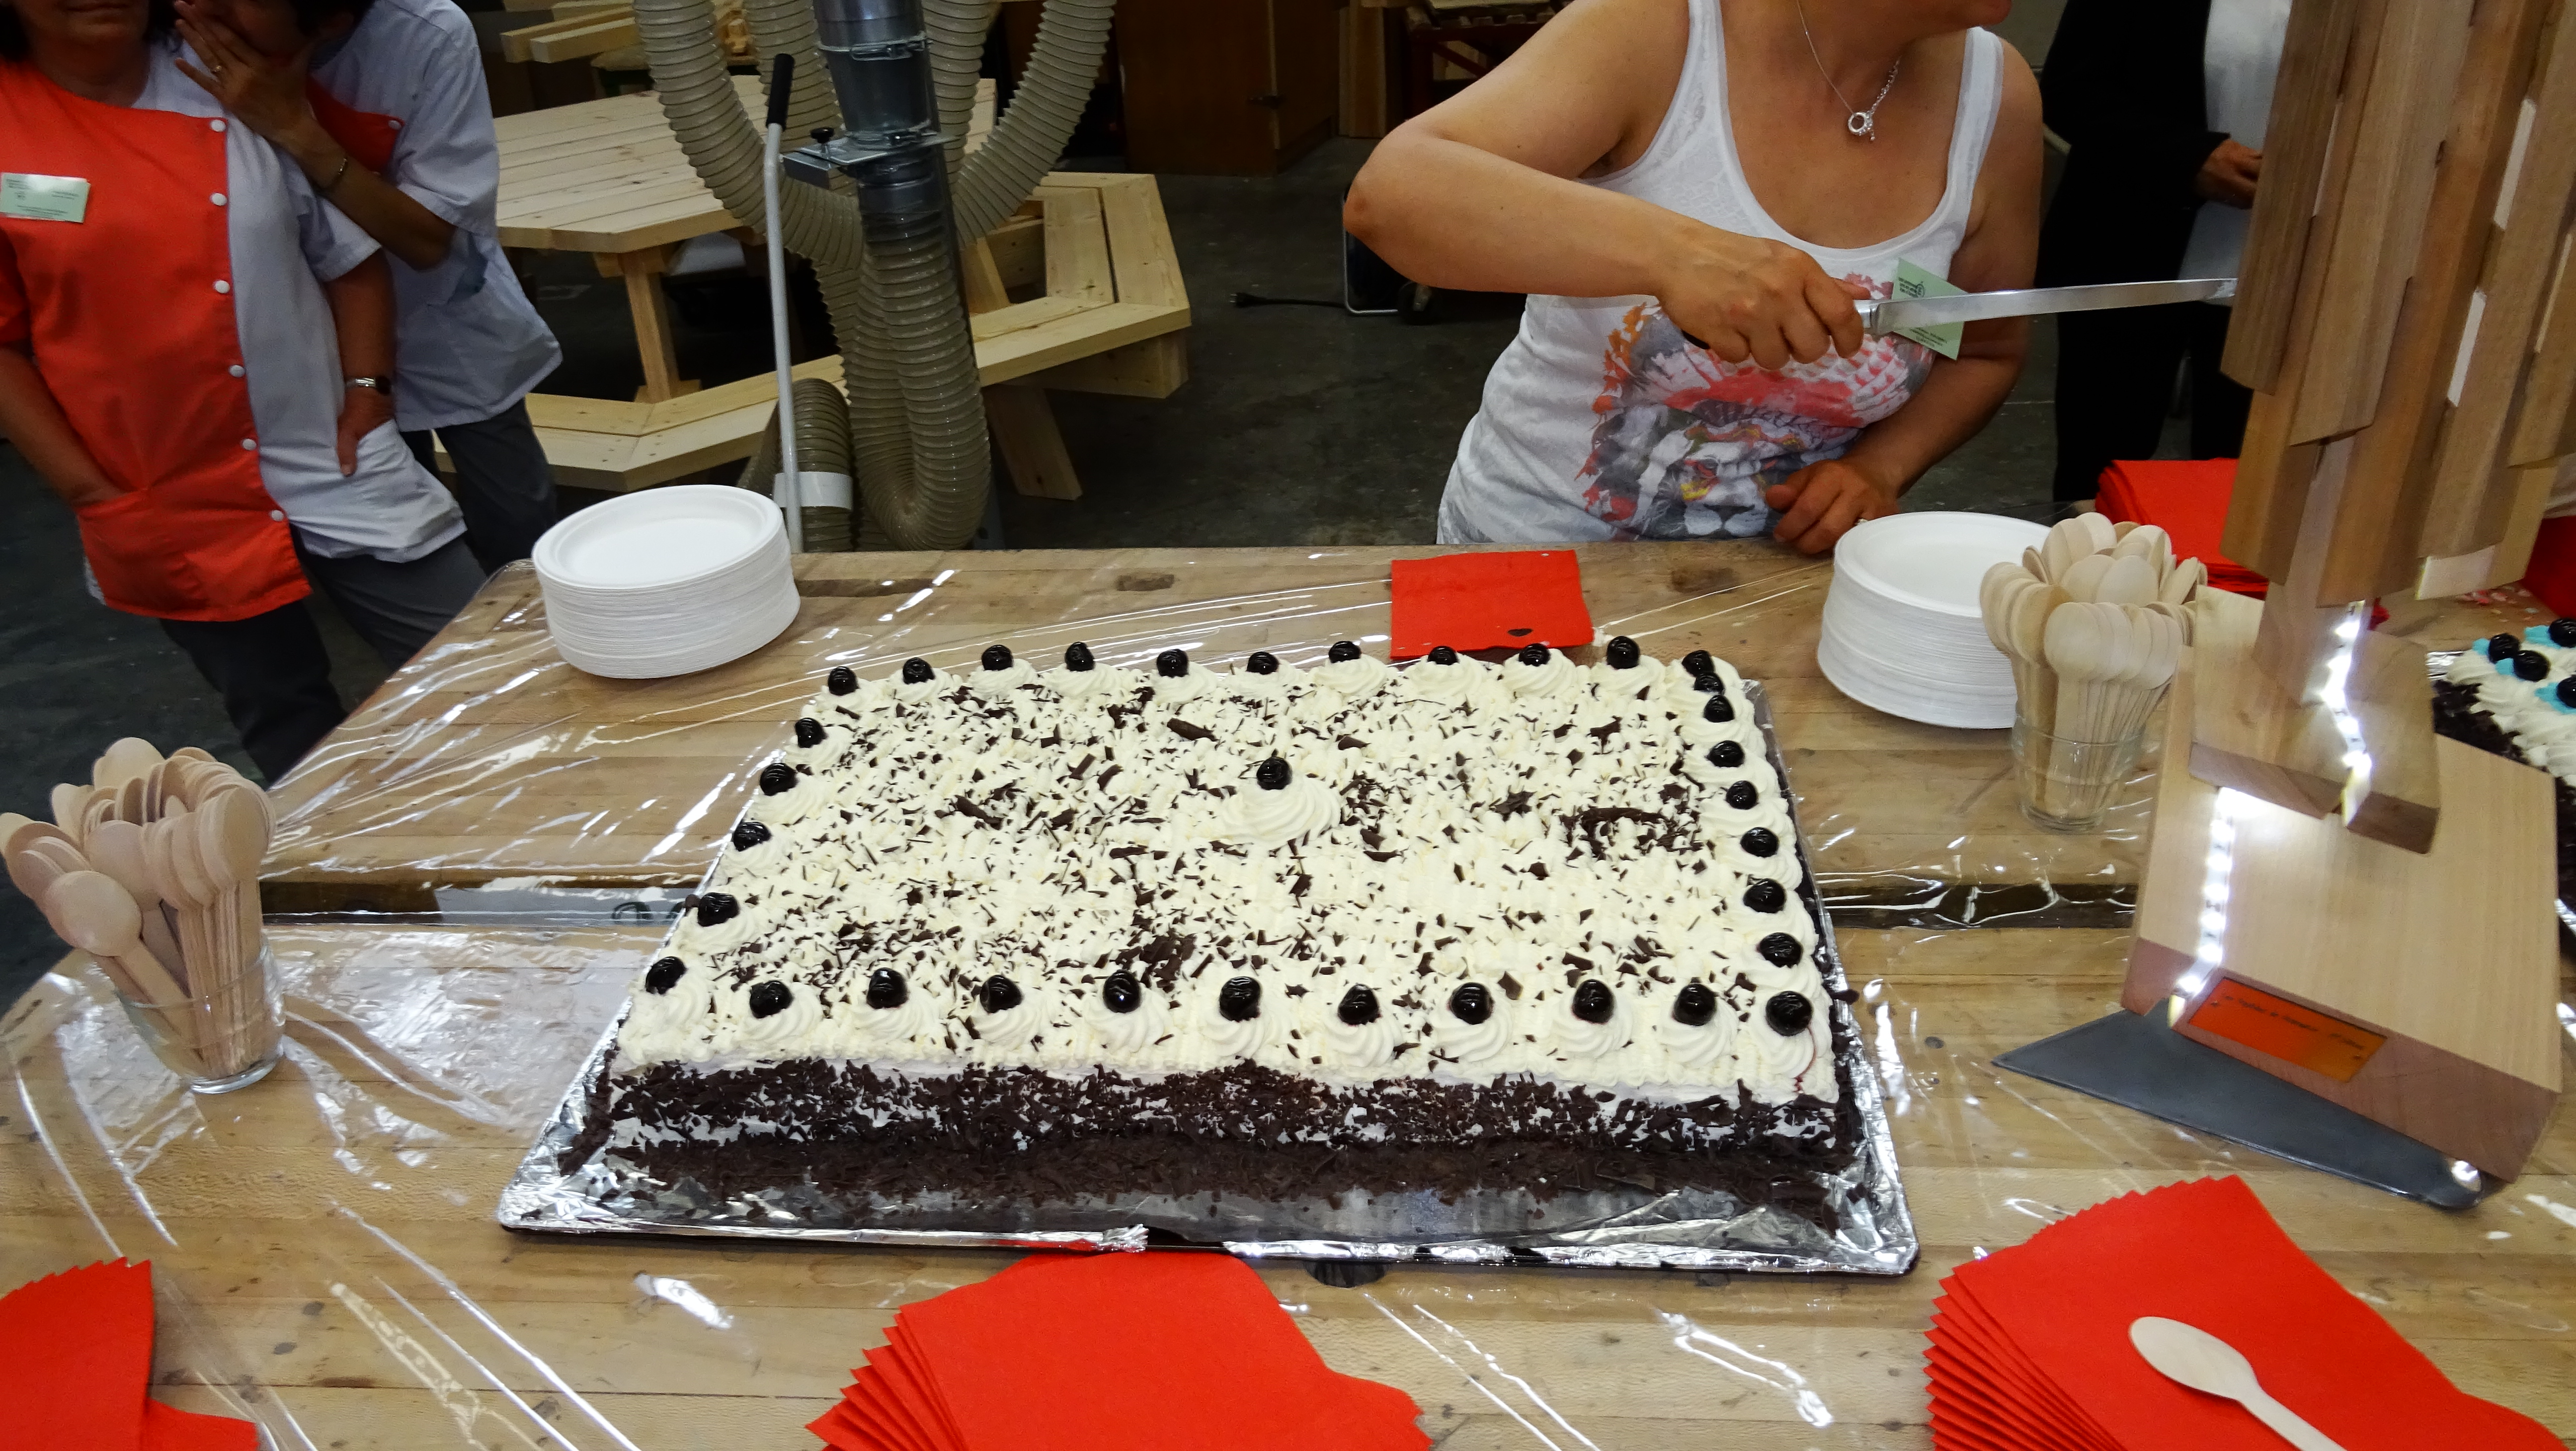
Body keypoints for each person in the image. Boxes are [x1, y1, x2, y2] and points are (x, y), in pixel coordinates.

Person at [1346, 0, 2039, 555]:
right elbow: (1393, 197)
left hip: (1782, 583)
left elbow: (1980, 350)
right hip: (1540, 561)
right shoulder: (1660, 29)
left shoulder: (1994, 96)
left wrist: (1878, 469)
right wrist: (1679, 255)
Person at [0, 0, 483, 781]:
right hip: (161, 493)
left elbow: (349, 256)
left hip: (329, 451)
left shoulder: (228, 77)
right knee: (291, 733)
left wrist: (369, 395)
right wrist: (90, 493)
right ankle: (346, 858)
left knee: (484, 666)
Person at [173, 0, 564, 572]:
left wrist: (294, 128)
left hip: (444, 319)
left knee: (520, 531)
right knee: (396, 539)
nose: (204, 8)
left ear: (333, 20)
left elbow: (427, 242)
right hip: (314, 344)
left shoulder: (425, 35)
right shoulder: (178, 36)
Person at [2036, 0, 2286, 505]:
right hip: (2130, 246)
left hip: (2289, 269)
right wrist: (2186, 156)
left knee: (2251, 491)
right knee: (2101, 480)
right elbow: (2069, 90)